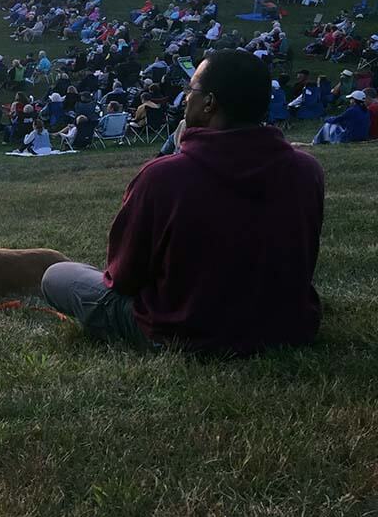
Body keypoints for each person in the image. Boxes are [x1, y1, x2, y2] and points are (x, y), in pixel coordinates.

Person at [42, 50, 324, 355]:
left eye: (191, 90)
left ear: (209, 103)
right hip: (287, 327)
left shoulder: (164, 177)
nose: (185, 98)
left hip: (183, 332)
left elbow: (123, 278)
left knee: (57, 275)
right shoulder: (307, 170)